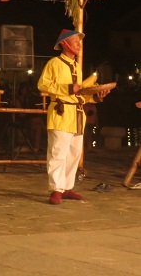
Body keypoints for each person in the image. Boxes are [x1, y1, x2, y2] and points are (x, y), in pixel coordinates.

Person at [37, 29, 109, 205]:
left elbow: (79, 94)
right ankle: (56, 189)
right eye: (75, 41)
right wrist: (68, 88)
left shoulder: (77, 66)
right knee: (58, 153)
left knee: (74, 153)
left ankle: (67, 187)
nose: (79, 45)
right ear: (64, 43)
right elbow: (43, 85)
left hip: (77, 115)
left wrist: (97, 96)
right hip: (61, 114)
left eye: (79, 41)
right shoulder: (54, 63)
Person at [15, 82, 46, 152]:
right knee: (39, 120)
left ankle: (36, 148)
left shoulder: (27, 99)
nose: (27, 91)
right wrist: (30, 114)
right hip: (23, 120)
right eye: (26, 89)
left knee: (38, 127)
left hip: (28, 119)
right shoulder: (18, 100)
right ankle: (47, 134)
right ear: (22, 90)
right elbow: (21, 114)